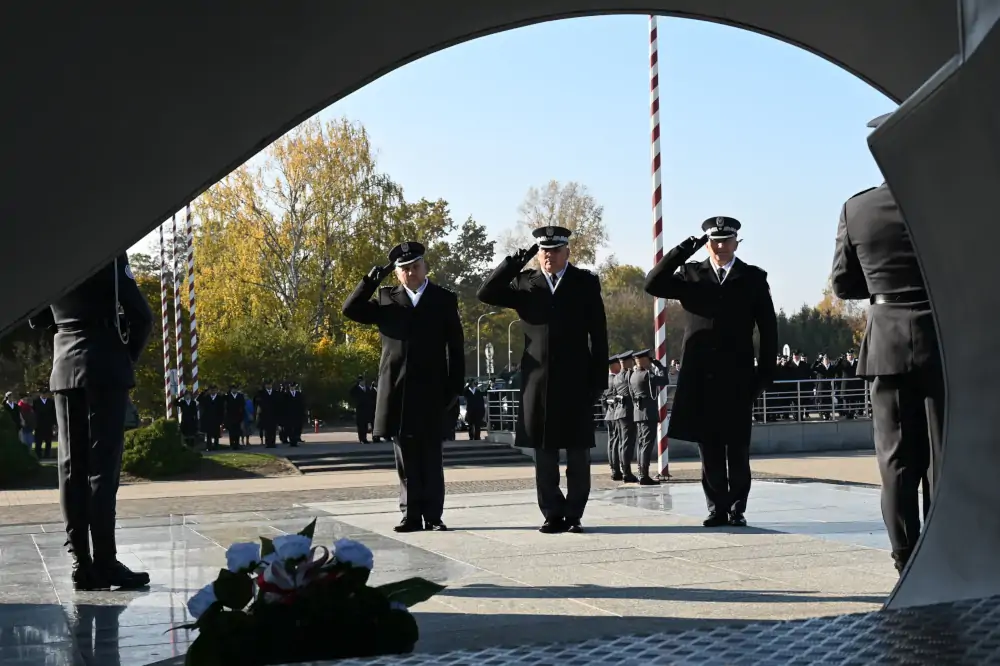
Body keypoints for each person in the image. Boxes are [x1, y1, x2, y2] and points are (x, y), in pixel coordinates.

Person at [831, 117, 943, 573]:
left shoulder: (857, 209)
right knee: (942, 453)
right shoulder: (945, 202)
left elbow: (841, 284)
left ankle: (904, 557)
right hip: (941, 341)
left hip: (886, 342)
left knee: (895, 458)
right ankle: (940, 550)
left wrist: (883, 292)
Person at [28, 253, 152, 590]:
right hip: (105, 363)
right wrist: (126, 358)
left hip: (65, 365)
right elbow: (141, 315)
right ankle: (106, 561)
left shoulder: (54, 257)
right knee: (103, 468)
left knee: (71, 467)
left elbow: (36, 317)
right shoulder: (108, 252)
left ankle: (82, 563)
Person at [644, 216, 777, 528]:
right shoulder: (692, 274)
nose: (719, 247)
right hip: (701, 376)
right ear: (707, 243)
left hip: (739, 376)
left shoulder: (752, 278)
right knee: (710, 447)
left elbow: (769, 332)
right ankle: (717, 507)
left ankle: (737, 507)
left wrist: (763, 377)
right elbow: (653, 283)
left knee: (737, 447)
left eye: (726, 240)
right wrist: (679, 252)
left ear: (736, 243)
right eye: (714, 241)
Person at [477, 225, 609, 533]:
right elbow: (486, 293)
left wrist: (598, 380)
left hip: (576, 379)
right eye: (543, 251)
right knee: (544, 453)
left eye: (554, 251)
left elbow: (599, 335)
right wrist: (513, 263)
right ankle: (551, 512)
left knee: (578, 453)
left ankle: (574, 514)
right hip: (537, 381)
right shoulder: (525, 282)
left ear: (567, 252)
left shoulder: (584, 282)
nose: (548, 256)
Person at [342, 241, 465, 532]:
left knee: (431, 457)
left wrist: (455, 387)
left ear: (425, 268)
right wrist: (370, 281)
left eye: (415, 267)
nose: (410, 273)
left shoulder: (443, 298)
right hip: (398, 392)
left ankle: (433, 515)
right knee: (406, 458)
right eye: (404, 269)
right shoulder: (386, 299)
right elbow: (350, 309)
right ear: (397, 274)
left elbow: (456, 347)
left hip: (434, 390)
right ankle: (410, 515)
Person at [629, 349, 671, 484]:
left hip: (638, 413)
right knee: (647, 445)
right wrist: (660, 367)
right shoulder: (647, 375)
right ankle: (644, 475)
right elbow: (665, 380)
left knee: (641, 444)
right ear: (645, 360)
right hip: (648, 414)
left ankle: (641, 472)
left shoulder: (633, 375)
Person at [603, 355, 623, 480]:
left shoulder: (606, 379)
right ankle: (616, 469)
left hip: (609, 414)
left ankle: (613, 468)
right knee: (616, 442)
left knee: (611, 442)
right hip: (615, 414)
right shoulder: (615, 380)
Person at [255, 379, 280, 448]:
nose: (268, 386)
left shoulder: (275, 393)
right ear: (265, 385)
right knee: (267, 429)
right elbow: (258, 402)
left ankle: (273, 442)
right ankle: (268, 443)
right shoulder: (261, 393)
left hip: (273, 414)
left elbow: (278, 403)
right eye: (267, 385)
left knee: (273, 429)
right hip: (265, 414)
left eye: (270, 384)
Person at [32, 387, 57, 458]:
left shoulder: (51, 402)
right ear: (40, 394)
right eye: (43, 393)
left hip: (48, 424)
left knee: (48, 441)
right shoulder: (36, 402)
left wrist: (54, 424)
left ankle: (47, 455)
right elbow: (33, 413)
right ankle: (38, 455)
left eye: (45, 393)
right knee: (38, 441)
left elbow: (53, 413)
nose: (44, 395)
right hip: (39, 425)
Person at [199, 384, 224, 450]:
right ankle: (209, 447)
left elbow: (222, 409)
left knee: (216, 434)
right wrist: (204, 392)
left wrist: (221, 420)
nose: (213, 391)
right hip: (208, 419)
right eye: (211, 390)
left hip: (216, 419)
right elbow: (199, 399)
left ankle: (216, 446)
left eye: (214, 390)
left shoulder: (219, 398)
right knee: (209, 434)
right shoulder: (207, 397)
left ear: (216, 391)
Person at [349, 376, 373, 443]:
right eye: (361, 381)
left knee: (365, 425)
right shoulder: (356, 389)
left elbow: (370, 396)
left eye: (364, 381)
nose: (363, 382)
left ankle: (365, 438)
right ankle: (361, 438)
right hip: (360, 409)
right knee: (360, 425)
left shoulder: (367, 388)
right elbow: (351, 392)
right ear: (359, 382)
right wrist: (356, 384)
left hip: (366, 408)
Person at [224, 384, 245, 450]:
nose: (234, 390)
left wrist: (242, 416)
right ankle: (232, 444)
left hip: (238, 416)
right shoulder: (228, 396)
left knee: (237, 431)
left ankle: (237, 444)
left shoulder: (240, 396)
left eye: (235, 389)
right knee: (231, 431)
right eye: (233, 389)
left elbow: (243, 406)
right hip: (230, 416)